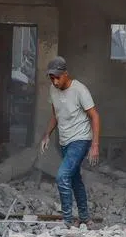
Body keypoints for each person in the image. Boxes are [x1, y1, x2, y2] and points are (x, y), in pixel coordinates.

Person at [39, 56, 101, 226]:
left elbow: (95, 116)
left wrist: (95, 145)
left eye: (57, 77)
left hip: (81, 139)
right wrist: (46, 135)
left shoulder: (80, 90)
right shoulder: (53, 90)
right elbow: (55, 115)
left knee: (62, 176)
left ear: (66, 74)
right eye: (52, 78)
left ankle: (67, 221)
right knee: (74, 180)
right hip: (65, 141)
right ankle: (85, 218)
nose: (55, 81)